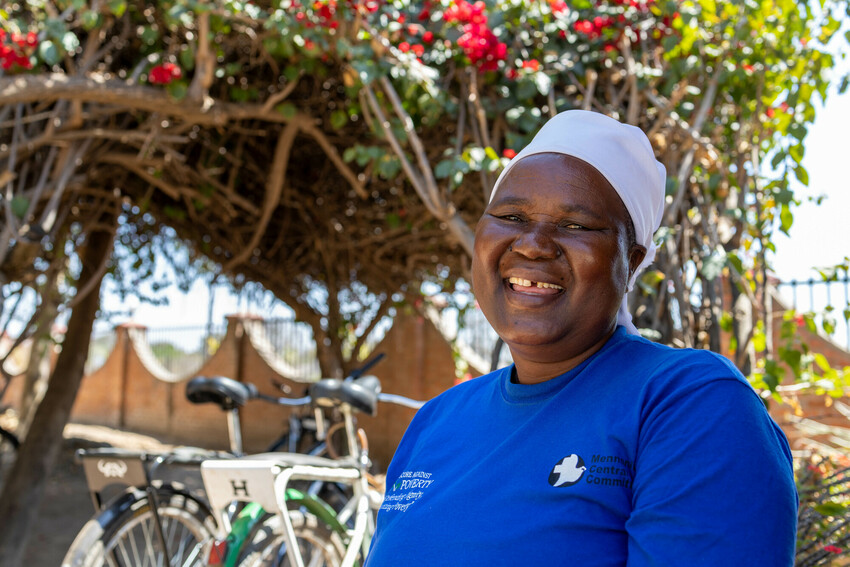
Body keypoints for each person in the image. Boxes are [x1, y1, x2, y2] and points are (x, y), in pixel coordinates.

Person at [364, 110, 798, 566]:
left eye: (576, 225)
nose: (532, 244)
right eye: (511, 215)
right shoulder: (436, 422)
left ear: (631, 261)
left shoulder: (689, 403)